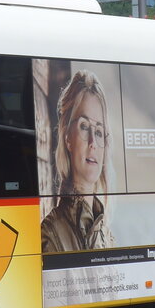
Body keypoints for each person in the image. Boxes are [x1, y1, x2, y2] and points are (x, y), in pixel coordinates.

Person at [40, 69, 115, 253]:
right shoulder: (50, 234)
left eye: (98, 131)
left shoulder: (108, 237)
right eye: (84, 126)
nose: (92, 143)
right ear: (67, 138)